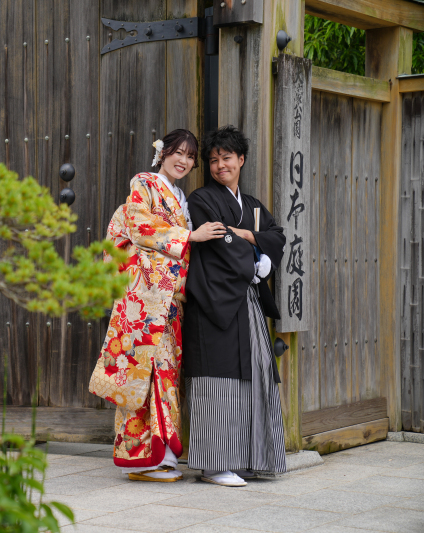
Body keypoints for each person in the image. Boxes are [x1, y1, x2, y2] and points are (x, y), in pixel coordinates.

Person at [90, 129, 226, 482]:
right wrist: (188, 236)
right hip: (145, 299)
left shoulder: (180, 198)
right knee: (143, 375)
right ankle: (142, 458)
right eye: (177, 153)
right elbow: (138, 226)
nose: (184, 161)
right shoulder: (145, 183)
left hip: (169, 302)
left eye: (190, 156)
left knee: (165, 375)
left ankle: (162, 454)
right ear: (162, 154)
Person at [183, 125, 287, 487]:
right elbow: (220, 241)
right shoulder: (201, 200)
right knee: (219, 379)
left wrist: (251, 239)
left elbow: (277, 236)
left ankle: (245, 458)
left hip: (247, 302)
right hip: (216, 301)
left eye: (226, 158)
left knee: (254, 377)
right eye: (213, 160)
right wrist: (254, 260)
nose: (219, 165)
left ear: (240, 159)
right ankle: (213, 464)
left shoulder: (253, 206)